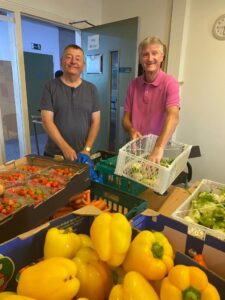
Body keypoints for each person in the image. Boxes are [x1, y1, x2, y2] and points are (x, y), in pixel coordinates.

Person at [122, 36, 180, 163]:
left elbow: (173, 116)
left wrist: (158, 147)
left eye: (154, 53)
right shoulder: (133, 84)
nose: (150, 58)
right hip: (135, 148)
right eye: (145, 54)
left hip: (159, 151)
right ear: (140, 59)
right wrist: (131, 130)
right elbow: (125, 119)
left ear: (162, 57)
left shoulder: (170, 83)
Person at [40, 44, 100, 161]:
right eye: (68, 57)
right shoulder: (50, 87)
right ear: (61, 61)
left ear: (83, 65)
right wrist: (65, 148)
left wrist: (87, 149)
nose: (73, 61)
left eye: (78, 59)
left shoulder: (92, 89)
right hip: (55, 156)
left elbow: (96, 121)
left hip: (82, 156)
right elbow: (47, 121)